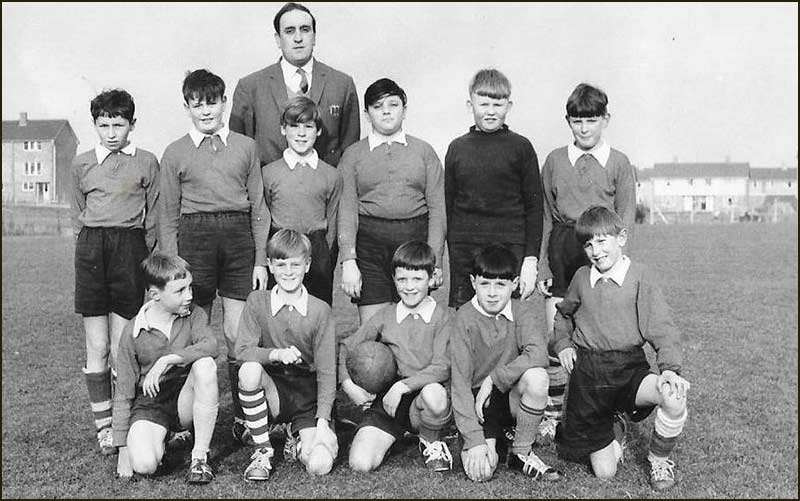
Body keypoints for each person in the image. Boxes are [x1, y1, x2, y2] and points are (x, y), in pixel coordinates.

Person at [157, 69, 269, 447]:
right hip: (195, 240)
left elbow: (259, 207)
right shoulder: (175, 152)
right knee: (192, 330)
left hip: (238, 239)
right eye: (197, 104)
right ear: (187, 107)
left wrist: (260, 260)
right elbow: (167, 214)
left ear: (224, 103)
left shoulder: (246, 147)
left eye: (212, 102)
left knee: (238, 333)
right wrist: (172, 266)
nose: (205, 111)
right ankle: (185, 419)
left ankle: (243, 417)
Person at [553, 206, 689, 491]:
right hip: (589, 376)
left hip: (628, 368)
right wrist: (563, 344)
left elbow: (661, 326)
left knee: (673, 396)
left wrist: (670, 369)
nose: (596, 251)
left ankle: (659, 460)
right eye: (588, 244)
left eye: (602, 241)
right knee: (605, 473)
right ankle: (616, 424)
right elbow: (563, 315)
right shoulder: (581, 277)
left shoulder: (640, 276)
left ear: (622, 238)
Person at [536, 83, 637, 445]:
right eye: (577, 121)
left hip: (602, 250)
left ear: (605, 119)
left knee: (600, 334)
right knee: (556, 334)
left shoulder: (619, 162)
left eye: (591, 120)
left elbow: (625, 218)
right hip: (564, 248)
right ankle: (552, 413)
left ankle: (608, 410)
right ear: (568, 121)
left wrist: (616, 265)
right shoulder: (554, 160)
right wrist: (544, 265)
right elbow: (546, 216)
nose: (584, 128)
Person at [70, 88, 159, 455]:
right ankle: (104, 428)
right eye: (104, 125)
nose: (111, 133)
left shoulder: (146, 162)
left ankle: (125, 424)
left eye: (118, 125)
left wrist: (145, 259)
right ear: (95, 125)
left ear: (131, 125)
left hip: (130, 248)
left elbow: (153, 218)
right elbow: (78, 212)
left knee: (123, 345)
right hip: (92, 249)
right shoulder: (82, 163)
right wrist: (90, 243)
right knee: (98, 345)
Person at [449, 244, 563, 483]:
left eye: (500, 284)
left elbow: (539, 354)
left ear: (514, 283)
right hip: (479, 402)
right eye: (485, 284)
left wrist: (494, 378)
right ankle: (496, 440)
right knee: (481, 472)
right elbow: (459, 384)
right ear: (473, 282)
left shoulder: (521, 311)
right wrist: (474, 440)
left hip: (508, 393)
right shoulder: (464, 318)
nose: (492, 293)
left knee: (537, 377)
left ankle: (521, 452)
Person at [338, 78, 446, 325]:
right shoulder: (353, 155)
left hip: (413, 242)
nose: (386, 111)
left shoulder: (424, 152)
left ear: (404, 110)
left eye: (393, 105)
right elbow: (347, 211)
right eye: (377, 106)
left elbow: (438, 210)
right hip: (369, 247)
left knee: (413, 325)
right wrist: (349, 261)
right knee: (373, 328)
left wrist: (436, 261)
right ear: (367, 114)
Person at [339, 241, 454, 472]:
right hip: (390, 400)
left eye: (417, 279)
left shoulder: (445, 317)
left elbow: (443, 367)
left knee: (434, 394)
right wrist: (348, 384)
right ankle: (392, 438)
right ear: (394, 279)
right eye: (402, 279)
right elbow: (346, 346)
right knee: (360, 464)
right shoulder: (387, 315)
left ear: (431, 278)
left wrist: (402, 387)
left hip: (423, 396)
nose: (409, 287)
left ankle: (430, 440)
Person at [235, 229, 338, 481]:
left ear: (308, 265)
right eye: (281, 265)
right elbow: (242, 351)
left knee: (320, 464)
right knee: (249, 370)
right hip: (274, 390)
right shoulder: (257, 301)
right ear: (270, 266)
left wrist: (323, 422)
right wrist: (276, 354)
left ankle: (297, 437)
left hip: (307, 396)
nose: (288, 272)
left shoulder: (320, 310)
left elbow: (327, 371)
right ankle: (263, 450)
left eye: (295, 264)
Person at [113, 253, 219, 484]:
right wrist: (122, 448)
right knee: (145, 465)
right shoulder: (132, 330)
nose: (189, 296)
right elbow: (123, 391)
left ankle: (199, 456)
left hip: (185, 399)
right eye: (180, 291)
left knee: (205, 365)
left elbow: (211, 346)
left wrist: (167, 360)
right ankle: (166, 438)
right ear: (155, 295)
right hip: (151, 403)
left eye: (190, 287)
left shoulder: (194, 314)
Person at [444, 68, 543, 308]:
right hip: (465, 250)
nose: (490, 111)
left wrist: (530, 260)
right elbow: (449, 206)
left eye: (497, 105)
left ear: (509, 106)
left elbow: (534, 208)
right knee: (464, 317)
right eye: (484, 104)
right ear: (470, 105)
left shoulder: (521, 147)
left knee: (507, 318)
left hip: (511, 248)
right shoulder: (457, 148)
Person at [229, 1, 360, 168]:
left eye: (305, 29)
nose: (298, 38)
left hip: (327, 183)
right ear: (278, 39)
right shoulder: (250, 87)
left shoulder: (342, 84)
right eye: (289, 31)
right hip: (268, 183)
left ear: (314, 36)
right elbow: (239, 153)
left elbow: (350, 154)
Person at [262, 96, 342, 305]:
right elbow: (264, 216)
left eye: (308, 126)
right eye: (294, 126)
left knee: (317, 308)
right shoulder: (269, 173)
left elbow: (333, 222)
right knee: (279, 310)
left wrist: (324, 255)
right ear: (283, 129)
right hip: (280, 246)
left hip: (316, 250)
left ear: (318, 131)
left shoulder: (331, 175)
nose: (301, 133)